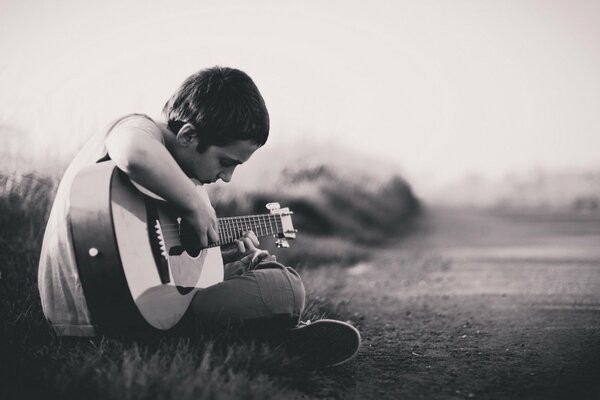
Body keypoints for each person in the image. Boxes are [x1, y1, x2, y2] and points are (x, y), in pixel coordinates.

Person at [38, 66, 360, 368]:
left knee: (252, 263)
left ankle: (256, 334)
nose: (227, 177)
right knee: (286, 286)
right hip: (103, 313)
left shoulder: (173, 175)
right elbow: (133, 152)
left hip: (120, 307)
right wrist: (195, 204)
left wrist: (218, 255)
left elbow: (151, 258)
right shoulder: (137, 127)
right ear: (188, 135)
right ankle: (261, 332)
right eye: (226, 161)